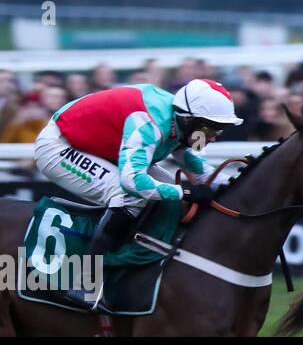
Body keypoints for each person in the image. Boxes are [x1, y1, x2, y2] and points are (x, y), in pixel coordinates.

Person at [31, 79, 243, 307]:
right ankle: (84, 282)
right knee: (130, 195)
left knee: (166, 195)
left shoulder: (183, 122)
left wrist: (234, 183)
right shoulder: (149, 122)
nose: (213, 136)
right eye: (210, 128)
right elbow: (133, 182)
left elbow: (196, 167)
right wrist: (185, 192)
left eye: (219, 129)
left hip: (99, 146)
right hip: (60, 146)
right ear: (188, 119)